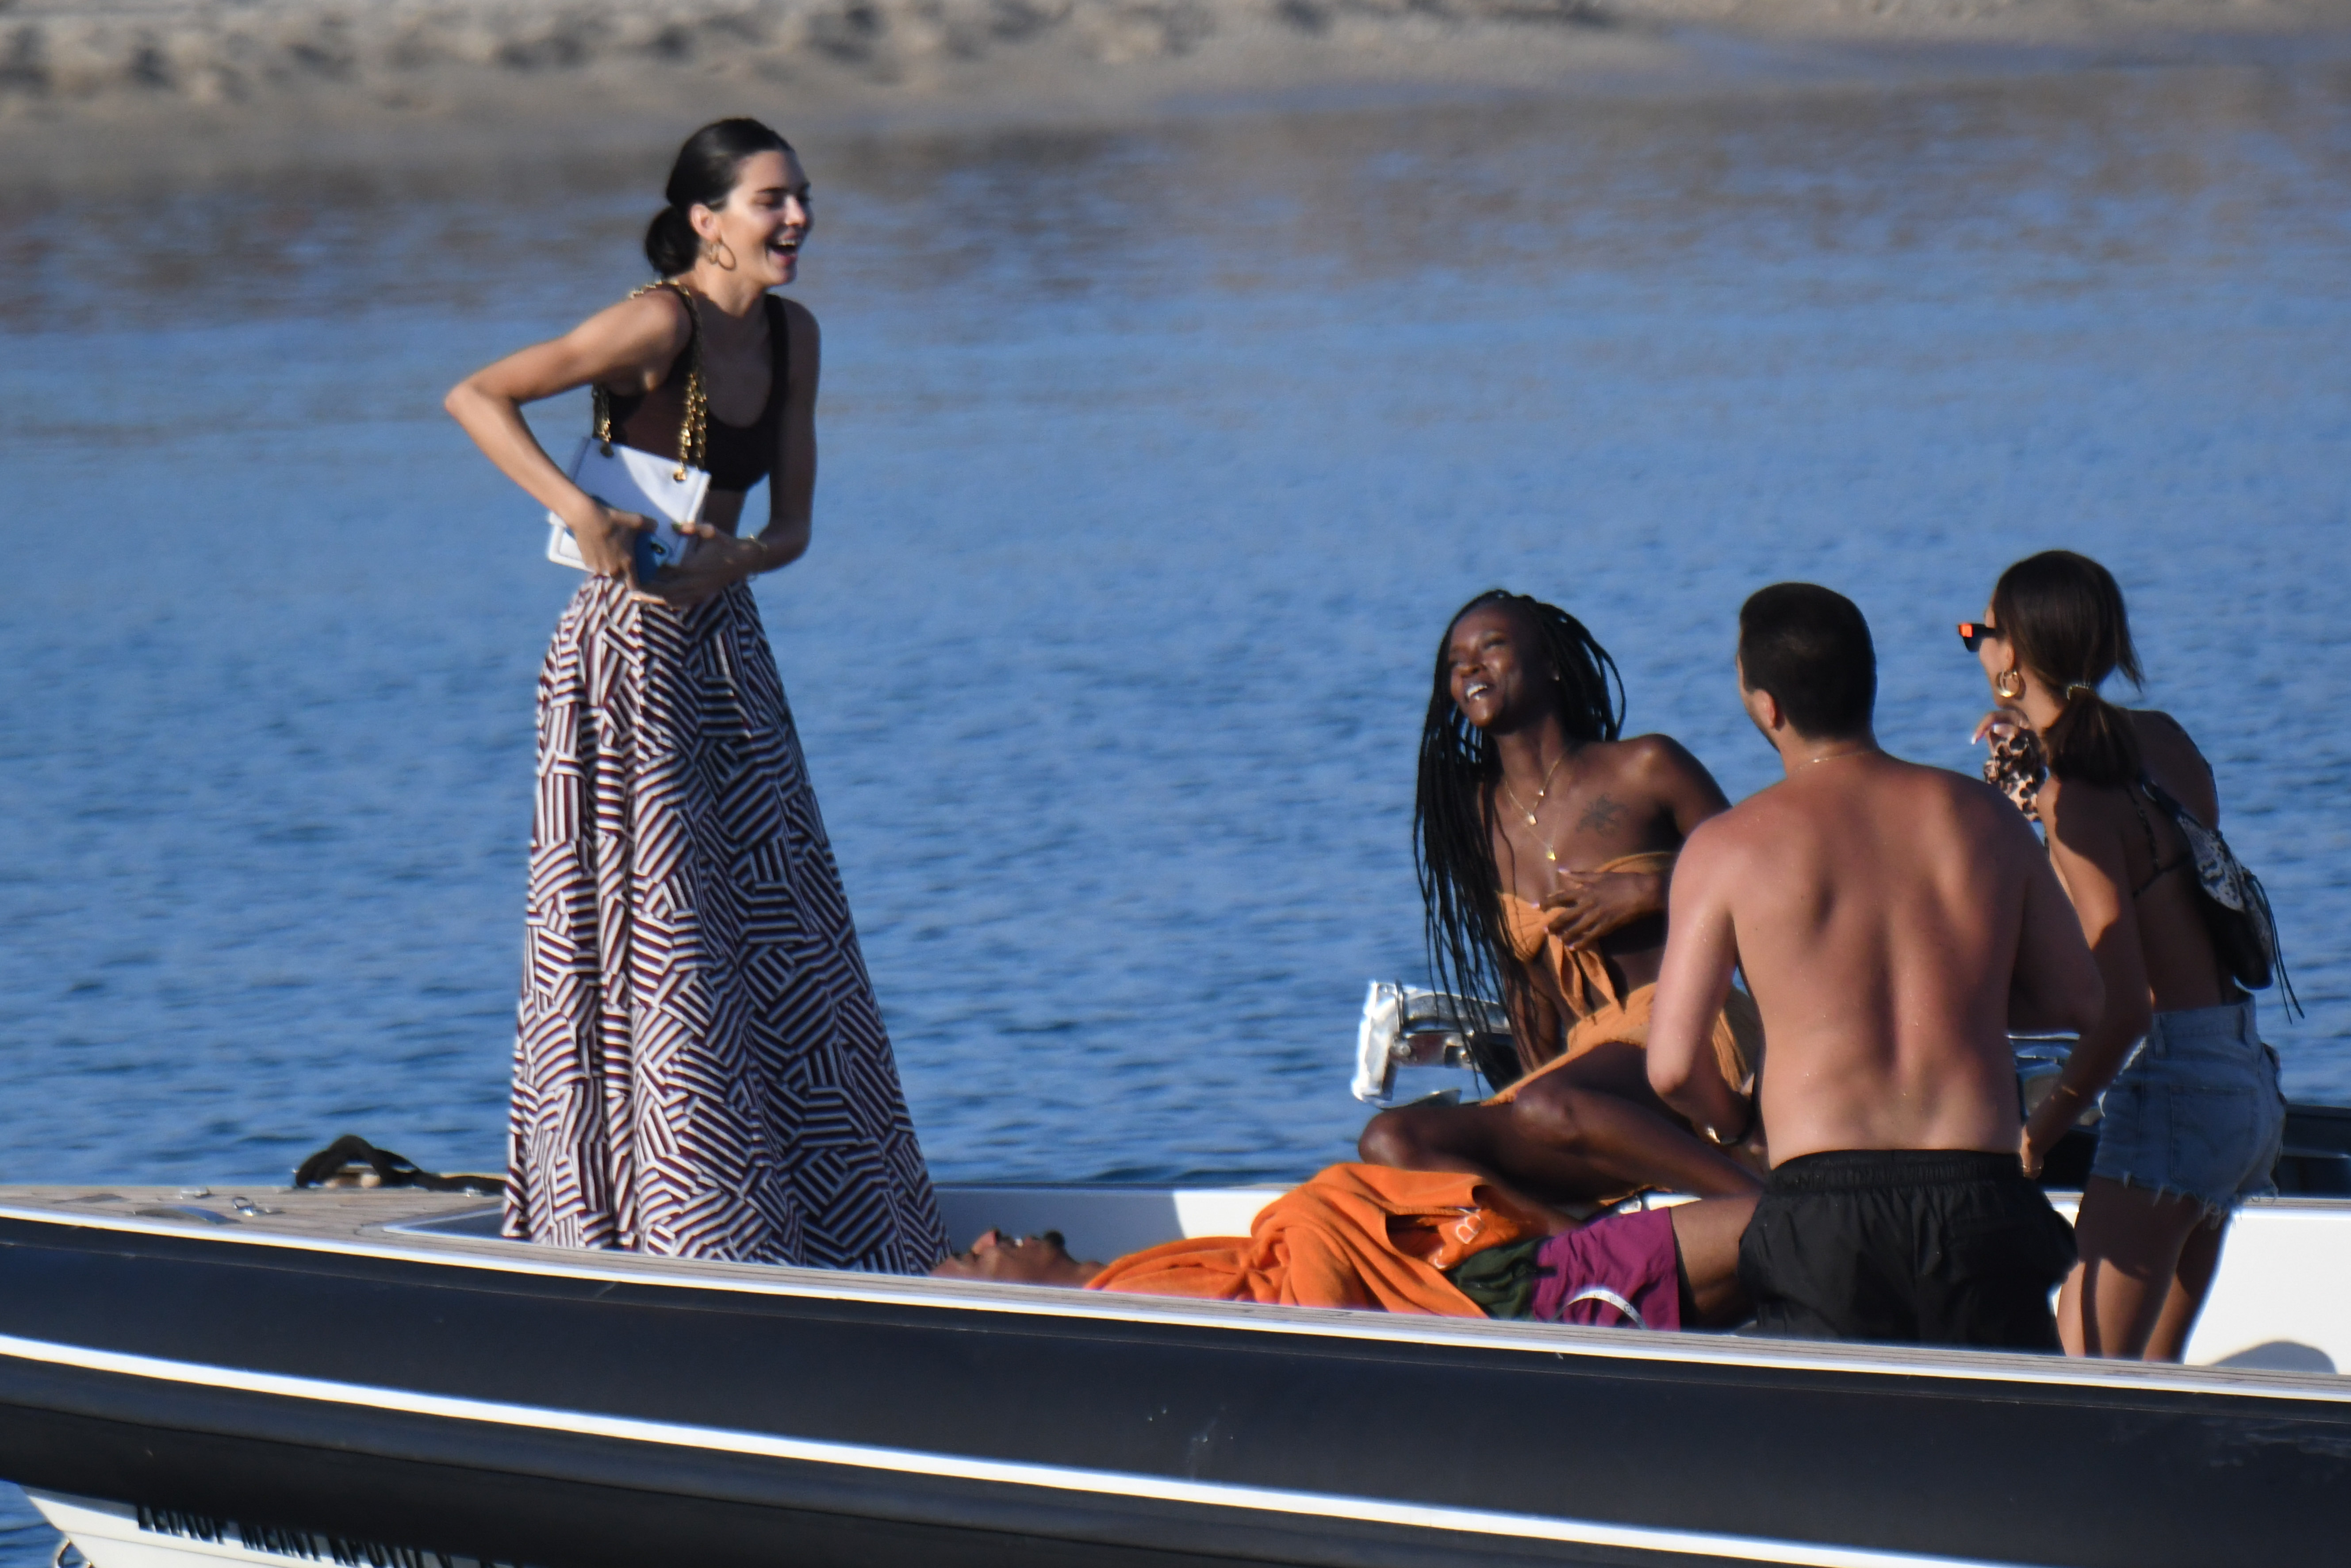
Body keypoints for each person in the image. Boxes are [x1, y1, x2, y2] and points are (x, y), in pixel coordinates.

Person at [445, 119, 946, 1272]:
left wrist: (742, 560)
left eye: (803, 198)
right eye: (772, 201)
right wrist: (581, 513)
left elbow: (795, 526)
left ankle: (806, 1203)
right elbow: (475, 395)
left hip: (725, 647)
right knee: (654, 922)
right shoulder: (655, 320)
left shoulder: (794, 333)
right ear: (704, 220)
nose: (798, 220)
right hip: (624, 652)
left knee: (773, 912)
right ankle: (665, 1211)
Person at [1647, 583, 2098, 1349]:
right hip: (1977, 1192)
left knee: (1838, 1451)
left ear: (1767, 707)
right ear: (1869, 684)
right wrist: (1966, 993)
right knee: (2007, 1445)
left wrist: (1733, 1124)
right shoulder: (1982, 816)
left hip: (1824, 1206)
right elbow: (2078, 996)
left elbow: (1671, 1067)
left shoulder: (1729, 847)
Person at [1966, 552, 2287, 1361]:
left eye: (1978, 632)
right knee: (2152, 1382)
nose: (1975, 648)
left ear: (2011, 656)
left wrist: (2042, 1128)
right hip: (2244, 1076)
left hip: (2173, 1089)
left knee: (2086, 1378)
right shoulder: (2165, 743)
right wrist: (2039, 758)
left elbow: (2127, 1005)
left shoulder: (2070, 796)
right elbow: (2165, 874)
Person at [1357, 590, 1764, 1206]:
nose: (1469, 668)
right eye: (1455, 662)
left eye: (1491, 646)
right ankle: (1559, 1257)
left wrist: (1655, 889)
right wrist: (1535, 1084)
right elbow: (1525, 991)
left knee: (1549, 1104)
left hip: (1689, 1038)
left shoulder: (1647, 768)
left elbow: (1769, 884)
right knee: (1392, 1141)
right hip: (1582, 1082)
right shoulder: (1472, 822)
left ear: (1549, 663)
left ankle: (1766, 1206)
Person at [933, 1162, 1758, 1330]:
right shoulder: (1131, 1312)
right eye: (976, 1258)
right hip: (1506, 1290)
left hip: (1471, 1268)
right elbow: (1312, 1319)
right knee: (1790, 1230)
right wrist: (1317, 1207)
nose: (987, 1232)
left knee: (1793, 1248)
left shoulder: (1133, 1278)